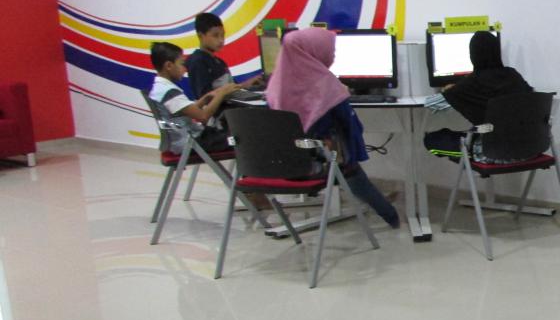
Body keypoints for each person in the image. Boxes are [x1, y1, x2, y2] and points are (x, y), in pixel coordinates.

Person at [265, 28, 400, 228]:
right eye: (331, 51)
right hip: (323, 165)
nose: (333, 56)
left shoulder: (274, 87)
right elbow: (352, 127)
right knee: (350, 168)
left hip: (282, 166)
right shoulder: (327, 86)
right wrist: (342, 95)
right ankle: (391, 217)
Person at [424, 31, 534, 164]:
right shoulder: (514, 75)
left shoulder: (471, 84)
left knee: (431, 140)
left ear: (472, 55)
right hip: (531, 150)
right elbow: (532, 96)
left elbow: (431, 104)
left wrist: (449, 91)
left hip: (491, 154)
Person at [148, 41, 238, 155]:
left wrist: (205, 99)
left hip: (184, 140)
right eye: (181, 64)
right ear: (169, 66)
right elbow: (203, 117)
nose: (185, 69)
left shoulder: (159, 88)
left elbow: (184, 110)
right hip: (192, 143)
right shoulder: (169, 92)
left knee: (233, 133)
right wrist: (222, 94)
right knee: (240, 138)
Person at [185, 12, 264, 101]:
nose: (221, 40)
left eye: (223, 35)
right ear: (201, 36)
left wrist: (245, 84)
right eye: (215, 35)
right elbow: (205, 98)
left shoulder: (220, 62)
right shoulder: (198, 61)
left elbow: (231, 88)